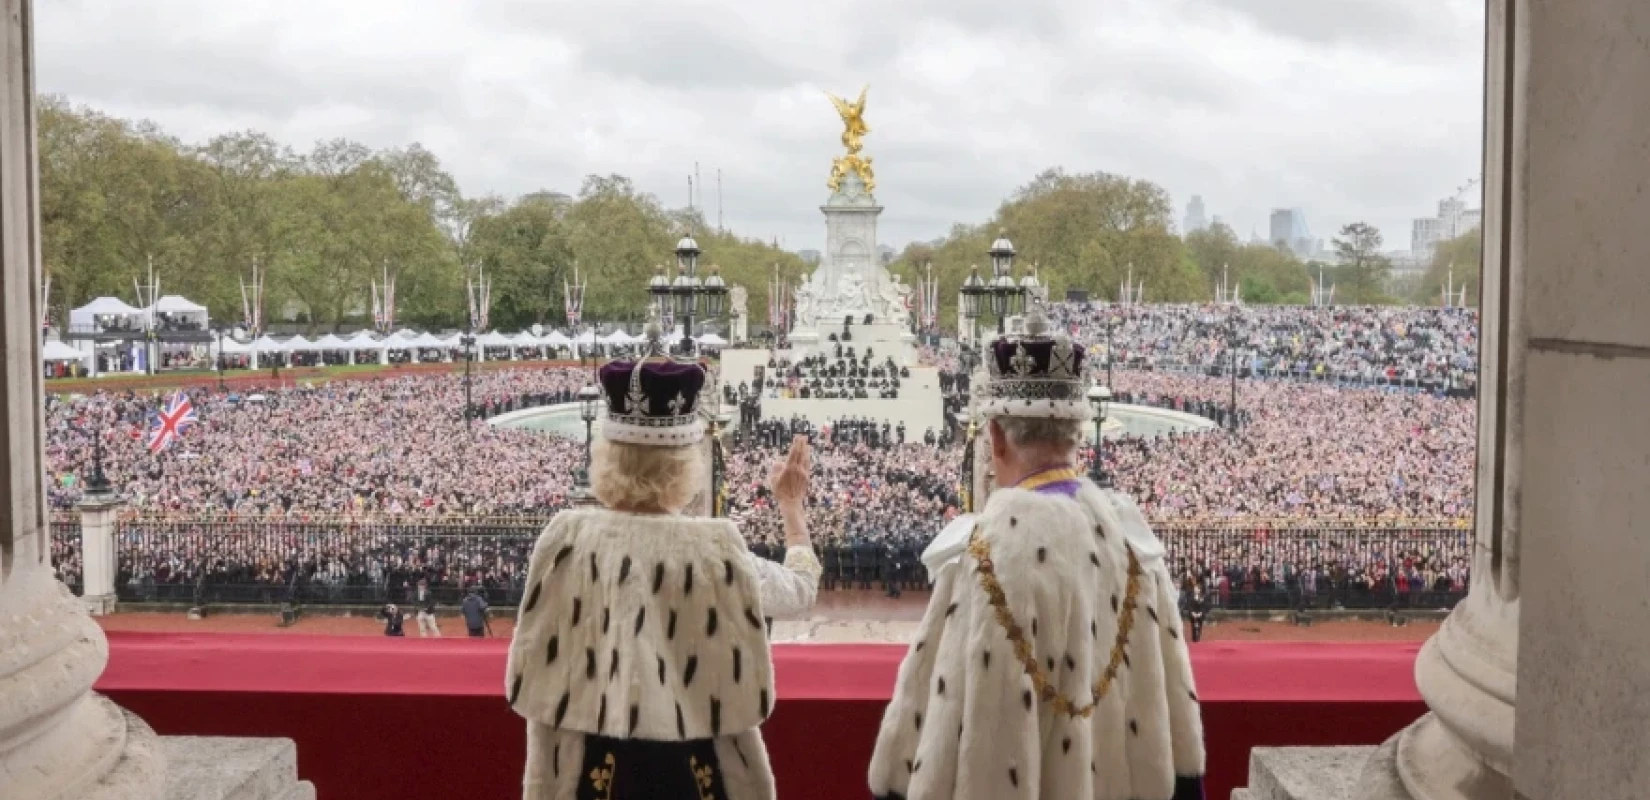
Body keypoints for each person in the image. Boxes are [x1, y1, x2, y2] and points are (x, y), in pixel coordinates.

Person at [869, 306, 1206, 800]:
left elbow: (936, 723)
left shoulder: (984, 554)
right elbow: (1177, 730)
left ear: (998, 437)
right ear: (1074, 436)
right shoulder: (1135, 544)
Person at [505, 350, 819, 800]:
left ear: (606, 458)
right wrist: (791, 508)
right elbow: (800, 593)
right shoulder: (716, 551)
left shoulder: (566, 541)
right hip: (694, 769)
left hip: (590, 770)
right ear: (683, 464)